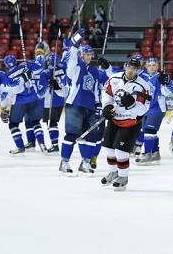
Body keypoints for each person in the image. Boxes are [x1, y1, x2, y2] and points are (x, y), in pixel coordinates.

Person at [100, 56, 151, 191]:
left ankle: (123, 177)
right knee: (109, 148)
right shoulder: (114, 79)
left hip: (130, 123)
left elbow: (144, 108)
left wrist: (133, 104)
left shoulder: (142, 86)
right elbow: (107, 94)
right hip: (114, 119)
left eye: (134, 68)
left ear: (138, 70)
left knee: (120, 150)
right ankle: (114, 172)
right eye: (129, 67)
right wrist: (106, 106)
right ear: (125, 66)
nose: (130, 70)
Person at [59, 30, 101, 176]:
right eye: (86, 54)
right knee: (71, 134)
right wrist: (74, 44)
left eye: (90, 54)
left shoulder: (95, 70)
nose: (89, 57)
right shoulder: (75, 67)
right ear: (81, 55)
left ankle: (86, 163)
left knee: (91, 136)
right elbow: (70, 61)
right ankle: (64, 163)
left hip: (89, 107)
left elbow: (95, 89)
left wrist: (97, 103)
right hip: (75, 105)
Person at [134, 58, 173, 165]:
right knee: (150, 131)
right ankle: (155, 153)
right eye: (150, 65)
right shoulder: (142, 76)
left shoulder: (162, 77)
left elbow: (168, 92)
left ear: (157, 66)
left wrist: (166, 83)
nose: (152, 67)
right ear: (146, 66)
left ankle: (147, 153)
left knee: (148, 130)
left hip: (157, 108)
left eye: (154, 65)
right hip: (145, 109)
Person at [3, 55, 44, 154]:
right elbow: (40, 66)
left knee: (13, 124)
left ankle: (20, 147)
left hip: (20, 101)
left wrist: (4, 108)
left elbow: (7, 94)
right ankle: (42, 143)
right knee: (35, 122)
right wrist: (39, 56)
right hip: (34, 98)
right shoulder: (25, 65)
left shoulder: (7, 76)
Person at [38, 53, 69, 154]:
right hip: (61, 100)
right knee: (54, 122)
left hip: (50, 101)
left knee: (51, 123)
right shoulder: (63, 69)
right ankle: (55, 144)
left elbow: (42, 92)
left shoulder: (45, 72)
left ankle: (55, 145)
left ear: (48, 62)